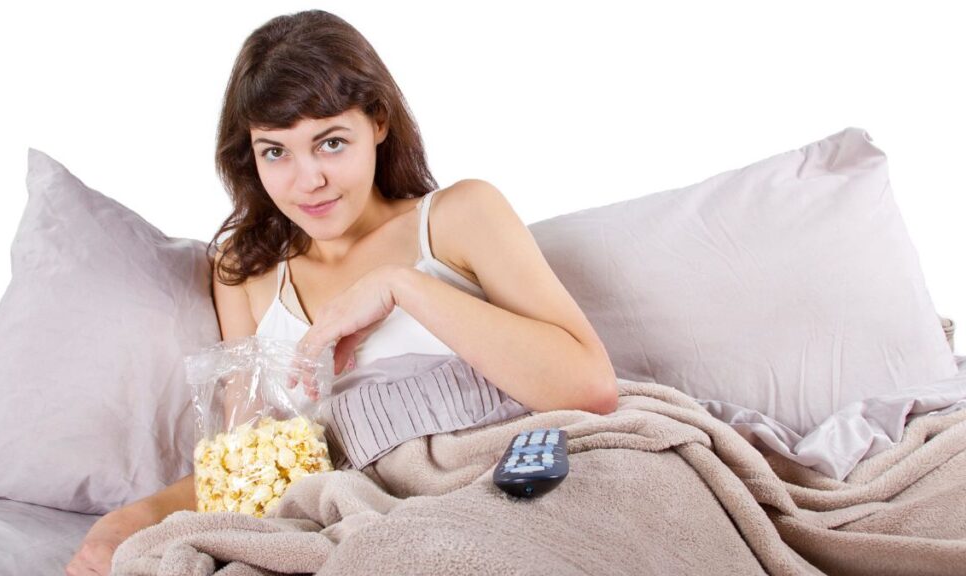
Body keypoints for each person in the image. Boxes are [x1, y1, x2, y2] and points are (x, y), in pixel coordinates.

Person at [65, 9, 617, 575]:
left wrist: (400, 288)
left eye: (330, 142)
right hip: (360, 515)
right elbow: (247, 464)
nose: (308, 181)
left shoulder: (457, 217)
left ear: (378, 121)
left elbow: (591, 386)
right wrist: (130, 520)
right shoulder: (247, 271)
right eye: (275, 151)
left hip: (494, 484)